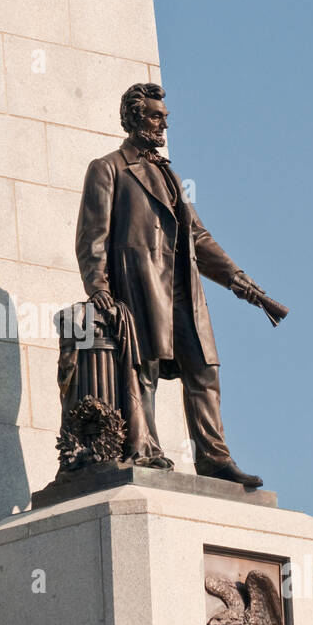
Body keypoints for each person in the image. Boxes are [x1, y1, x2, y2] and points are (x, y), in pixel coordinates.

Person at [75, 82, 266, 487]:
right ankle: (144, 449)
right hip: (140, 283)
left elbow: (197, 236)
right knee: (144, 368)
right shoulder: (108, 168)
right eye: (155, 116)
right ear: (134, 118)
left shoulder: (170, 175)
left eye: (165, 117)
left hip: (183, 290)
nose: (163, 124)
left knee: (204, 369)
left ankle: (214, 458)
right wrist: (99, 289)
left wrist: (236, 278)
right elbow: (92, 236)